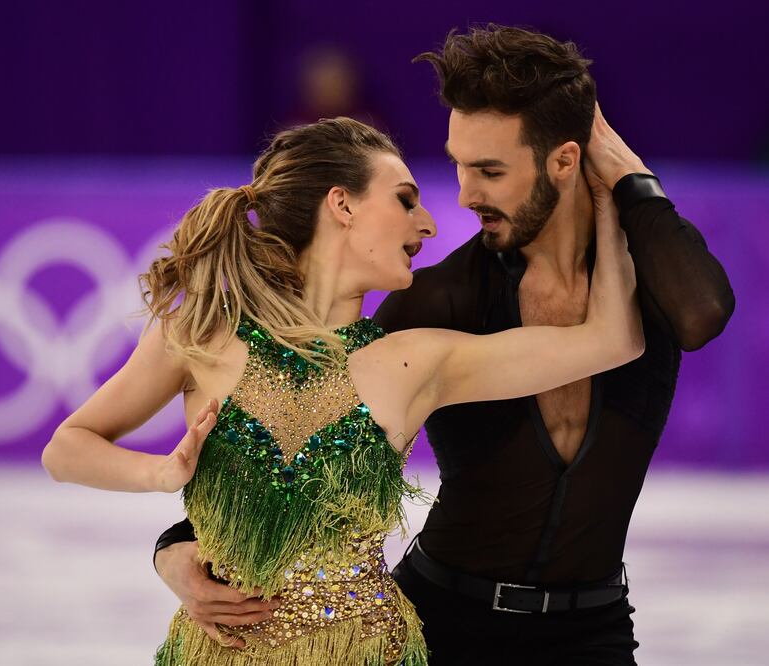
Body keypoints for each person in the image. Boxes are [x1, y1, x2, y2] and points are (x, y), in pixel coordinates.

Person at [151, 26, 735, 666]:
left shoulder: (647, 287)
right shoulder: (442, 300)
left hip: (591, 630)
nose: (463, 195)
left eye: (489, 170)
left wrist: (625, 174)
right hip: (441, 622)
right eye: (458, 165)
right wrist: (178, 543)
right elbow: (295, 429)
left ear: (564, 161)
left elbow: (703, 313)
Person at [42, 112, 643, 665]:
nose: (429, 224)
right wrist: (161, 476)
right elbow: (67, 447)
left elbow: (614, 339)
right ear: (342, 205)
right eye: (405, 201)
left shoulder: (415, 360)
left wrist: (613, 192)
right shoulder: (201, 332)